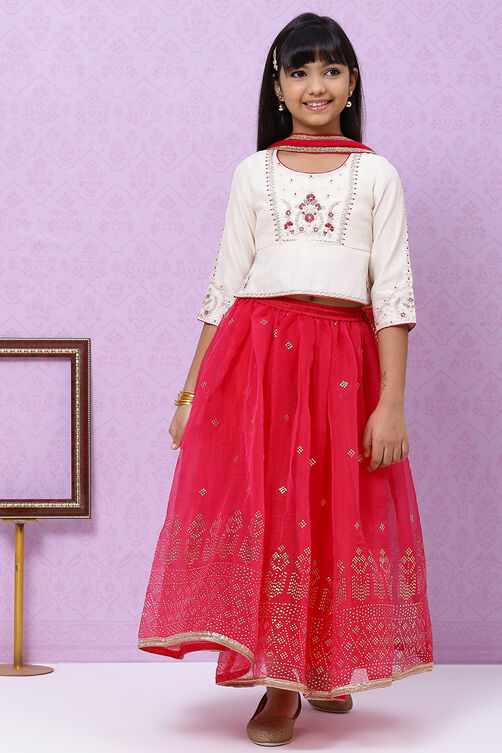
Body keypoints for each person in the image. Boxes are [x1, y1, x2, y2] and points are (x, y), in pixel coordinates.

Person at [137, 11, 434, 747]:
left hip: (344, 364)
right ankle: (279, 685)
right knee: (276, 514)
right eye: (299, 71)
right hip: (259, 361)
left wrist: (392, 403)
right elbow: (223, 288)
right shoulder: (255, 173)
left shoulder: (377, 173)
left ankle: (325, 665)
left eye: (330, 70)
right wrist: (190, 392)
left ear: (352, 82)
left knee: (335, 512)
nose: (315, 85)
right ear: (277, 88)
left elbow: (393, 295)